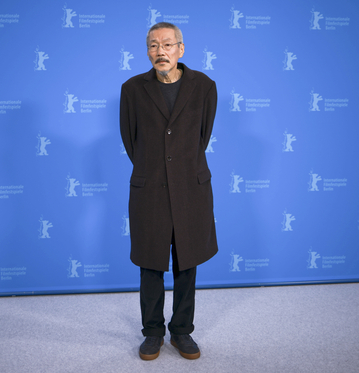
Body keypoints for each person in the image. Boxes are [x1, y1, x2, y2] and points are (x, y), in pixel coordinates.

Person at [120, 22, 218, 361]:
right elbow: (131, 141)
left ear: (181, 48)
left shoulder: (204, 87)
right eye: (152, 45)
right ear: (147, 51)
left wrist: (179, 169)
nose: (160, 51)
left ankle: (181, 332)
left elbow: (201, 137)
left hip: (191, 188)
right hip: (150, 189)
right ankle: (152, 333)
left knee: (187, 264)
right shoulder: (132, 89)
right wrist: (157, 170)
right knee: (151, 263)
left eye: (167, 44)